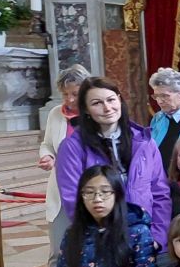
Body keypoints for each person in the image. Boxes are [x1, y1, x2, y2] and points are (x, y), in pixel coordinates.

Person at [56, 77, 171, 246]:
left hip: (145, 239)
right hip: (101, 241)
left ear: (119, 100)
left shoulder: (144, 142)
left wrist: (157, 238)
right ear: (86, 109)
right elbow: (73, 199)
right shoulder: (72, 147)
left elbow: (160, 193)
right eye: (97, 103)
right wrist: (103, 237)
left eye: (111, 100)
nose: (107, 108)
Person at [39, 64, 90, 267]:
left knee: (91, 254)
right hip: (60, 195)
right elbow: (47, 144)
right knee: (58, 254)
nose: (69, 100)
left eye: (74, 93)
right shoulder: (55, 115)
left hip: (92, 195)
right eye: (65, 94)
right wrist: (47, 156)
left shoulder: (97, 113)